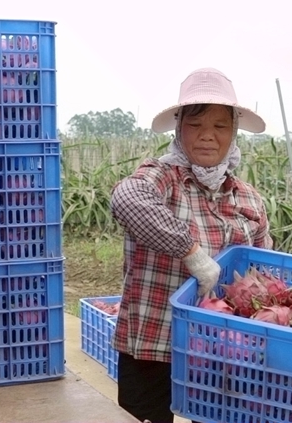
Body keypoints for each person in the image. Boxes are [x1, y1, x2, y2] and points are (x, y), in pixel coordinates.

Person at [110, 67, 273, 423]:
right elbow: (126, 198)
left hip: (221, 351)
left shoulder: (249, 199)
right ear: (179, 128)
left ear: (234, 134)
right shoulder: (162, 177)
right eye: (195, 125)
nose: (207, 137)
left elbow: (264, 272)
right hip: (152, 343)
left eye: (220, 127)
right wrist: (192, 253)